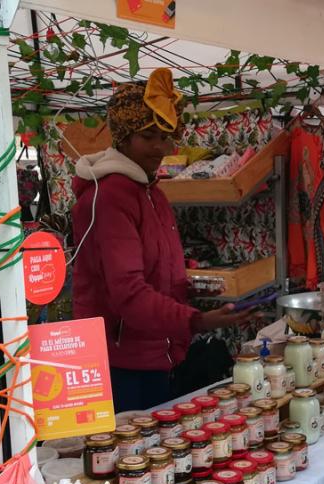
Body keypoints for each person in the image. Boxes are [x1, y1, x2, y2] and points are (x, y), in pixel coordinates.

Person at [71, 68, 253, 412]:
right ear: (123, 138)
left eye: (166, 136)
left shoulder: (151, 192)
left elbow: (156, 273)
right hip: (121, 362)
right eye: (148, 136)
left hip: (157, 352)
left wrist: (194, 290)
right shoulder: (111, 197)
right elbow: (128, 292)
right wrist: (195, 320)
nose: (160, 147)